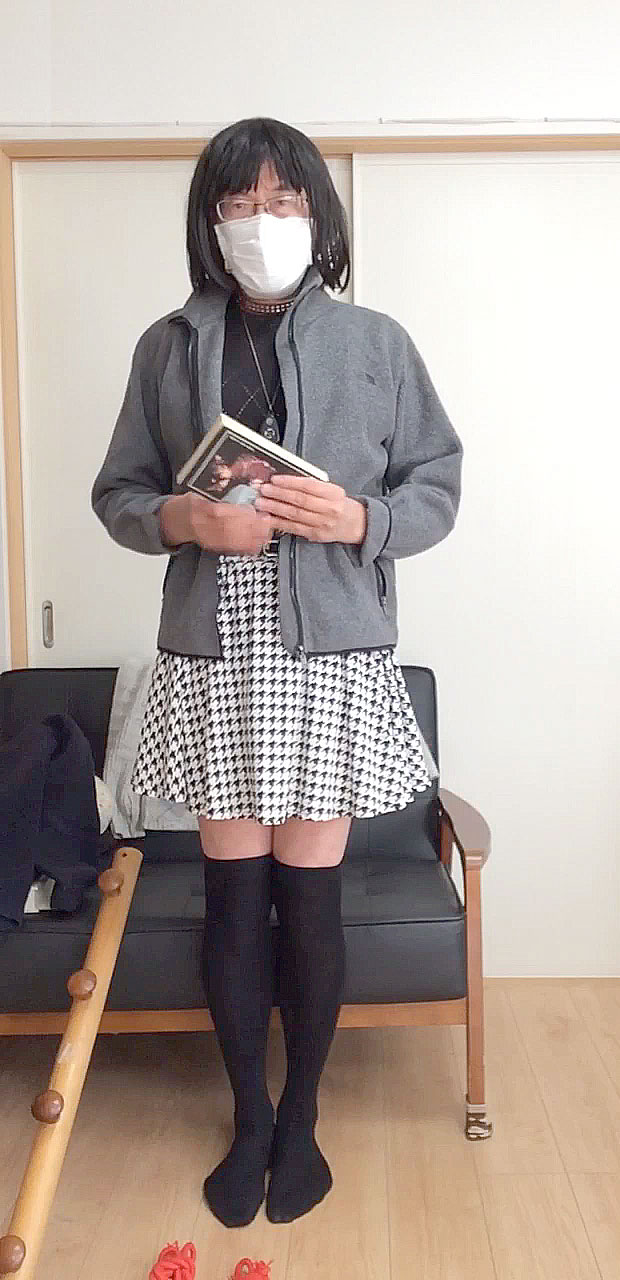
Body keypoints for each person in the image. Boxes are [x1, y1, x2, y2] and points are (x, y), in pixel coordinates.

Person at [91, 116, 464, 1229]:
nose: (265, 221)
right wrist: (185, 517)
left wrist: (363, 519)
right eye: (240, 202)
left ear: (317, 213)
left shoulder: (377, 342)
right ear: (210, 221)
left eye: (285, 199)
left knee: (308, 900)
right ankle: (247, 1115)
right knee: (231, 895)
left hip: (331, 651)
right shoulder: (167, 345)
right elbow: (118, 494)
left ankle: (301, 1115)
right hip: (216, 650)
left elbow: (437, 483)